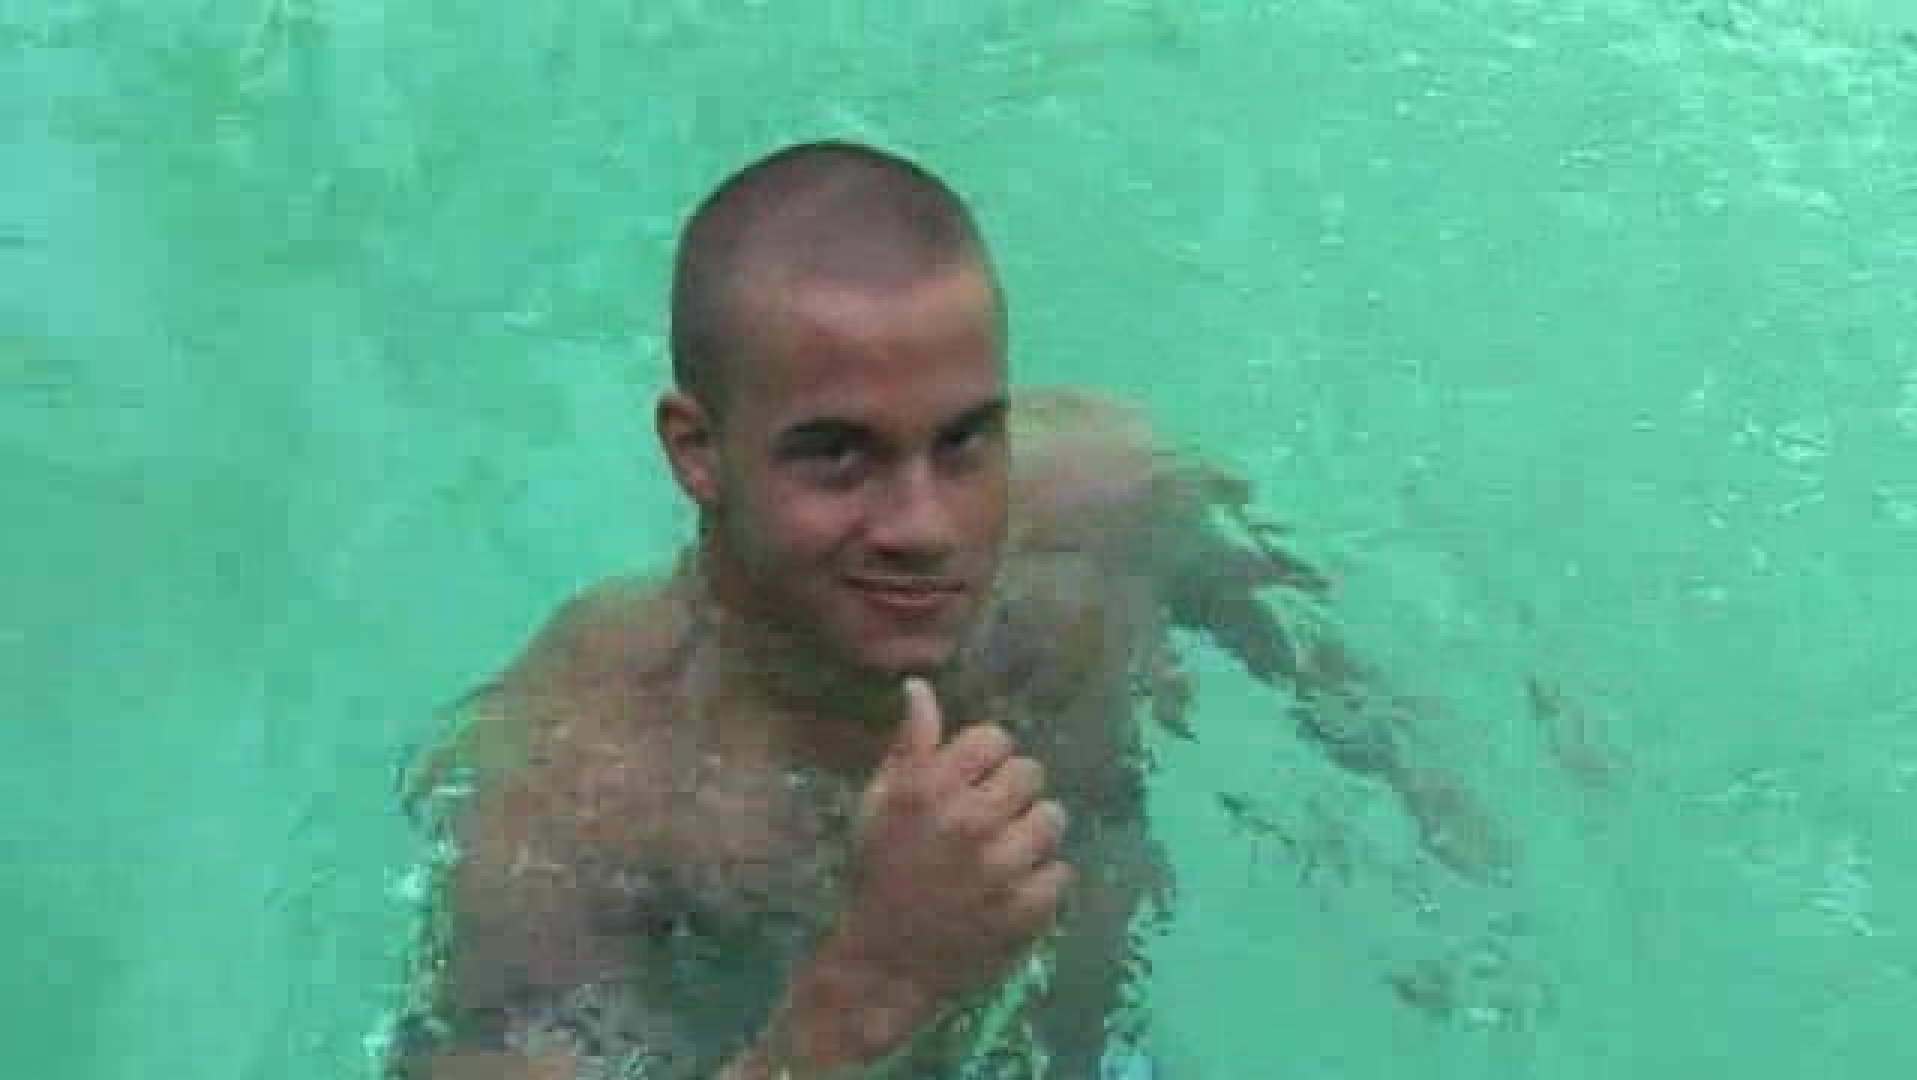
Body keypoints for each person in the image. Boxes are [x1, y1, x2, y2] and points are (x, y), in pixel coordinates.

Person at [376, 140, 1502, 1080]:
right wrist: (865, 990)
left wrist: (1460, 877)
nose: (926, 524)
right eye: (839, 455)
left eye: (965, 440)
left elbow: (1360, 693)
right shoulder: (588, 779)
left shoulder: (1108, 507)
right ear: (696, 449)